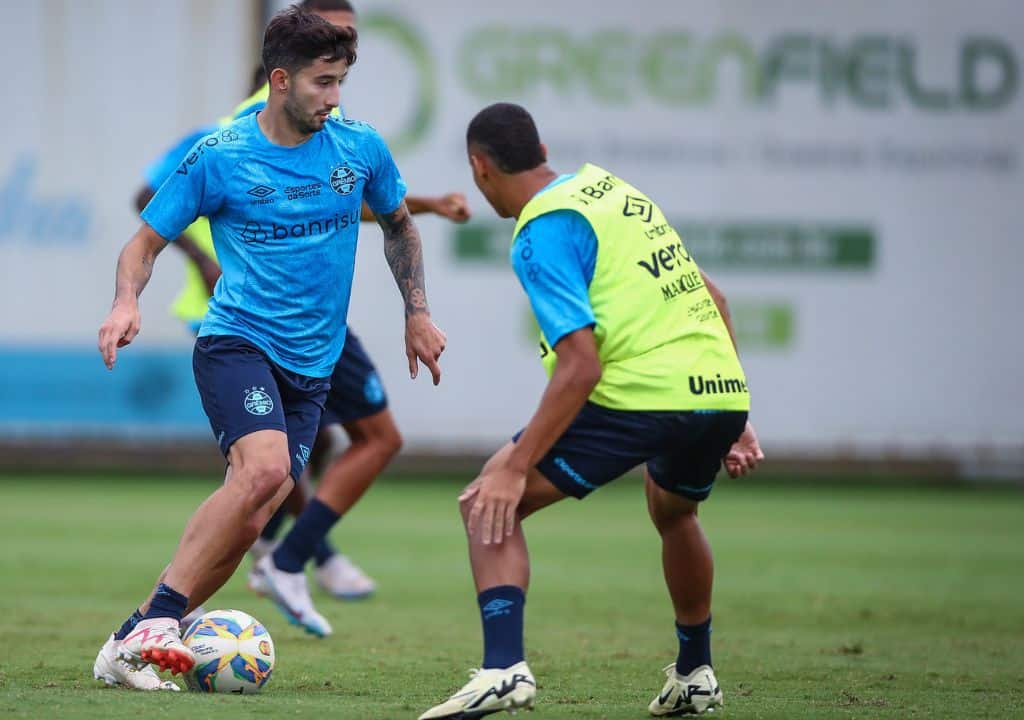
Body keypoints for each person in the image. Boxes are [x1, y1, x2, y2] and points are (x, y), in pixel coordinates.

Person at [92, 7, 445, 691]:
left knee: (256, 512)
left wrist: (418, 314)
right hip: (237, 343)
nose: (335, 97)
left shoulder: (359, 147)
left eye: (342, 81)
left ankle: (126, 642)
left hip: (313, 365)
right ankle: (160, 621)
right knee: (261, 474)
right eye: (322, 82)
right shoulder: (220, 155)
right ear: (280, 80)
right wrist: (126, 300)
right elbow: (144, 241)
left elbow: (399, 225)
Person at [419, 103, 764, 719]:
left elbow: (582, 365)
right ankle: (695, 672)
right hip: (716, 390)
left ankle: (503, 670)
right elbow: (713, 295)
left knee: (486, 503)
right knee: (674, 509)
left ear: (479, 168)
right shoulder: (610, 190)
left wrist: (515, 464)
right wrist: (734, 415)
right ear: (541, 148)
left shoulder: (542, 229)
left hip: (639, 396)